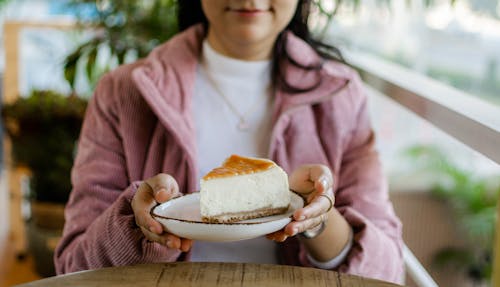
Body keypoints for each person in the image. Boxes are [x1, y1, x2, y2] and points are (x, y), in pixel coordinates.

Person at [54, 0, 404, 283]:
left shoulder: (341, 95)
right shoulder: (124, 92)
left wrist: (316, 220)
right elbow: (73, 268)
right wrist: (139, 225)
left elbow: (387, 272)